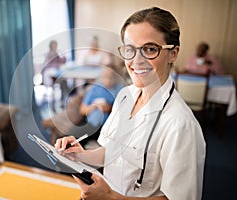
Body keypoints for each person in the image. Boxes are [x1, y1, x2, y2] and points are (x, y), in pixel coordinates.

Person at [55, 7, 206, 200]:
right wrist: (79, 155)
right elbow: (112, 152)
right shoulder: (125, 96)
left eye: (150, 49)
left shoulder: (181, 125)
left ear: (173, 53)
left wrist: (111, 197)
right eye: (130, 50)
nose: (136, 60)